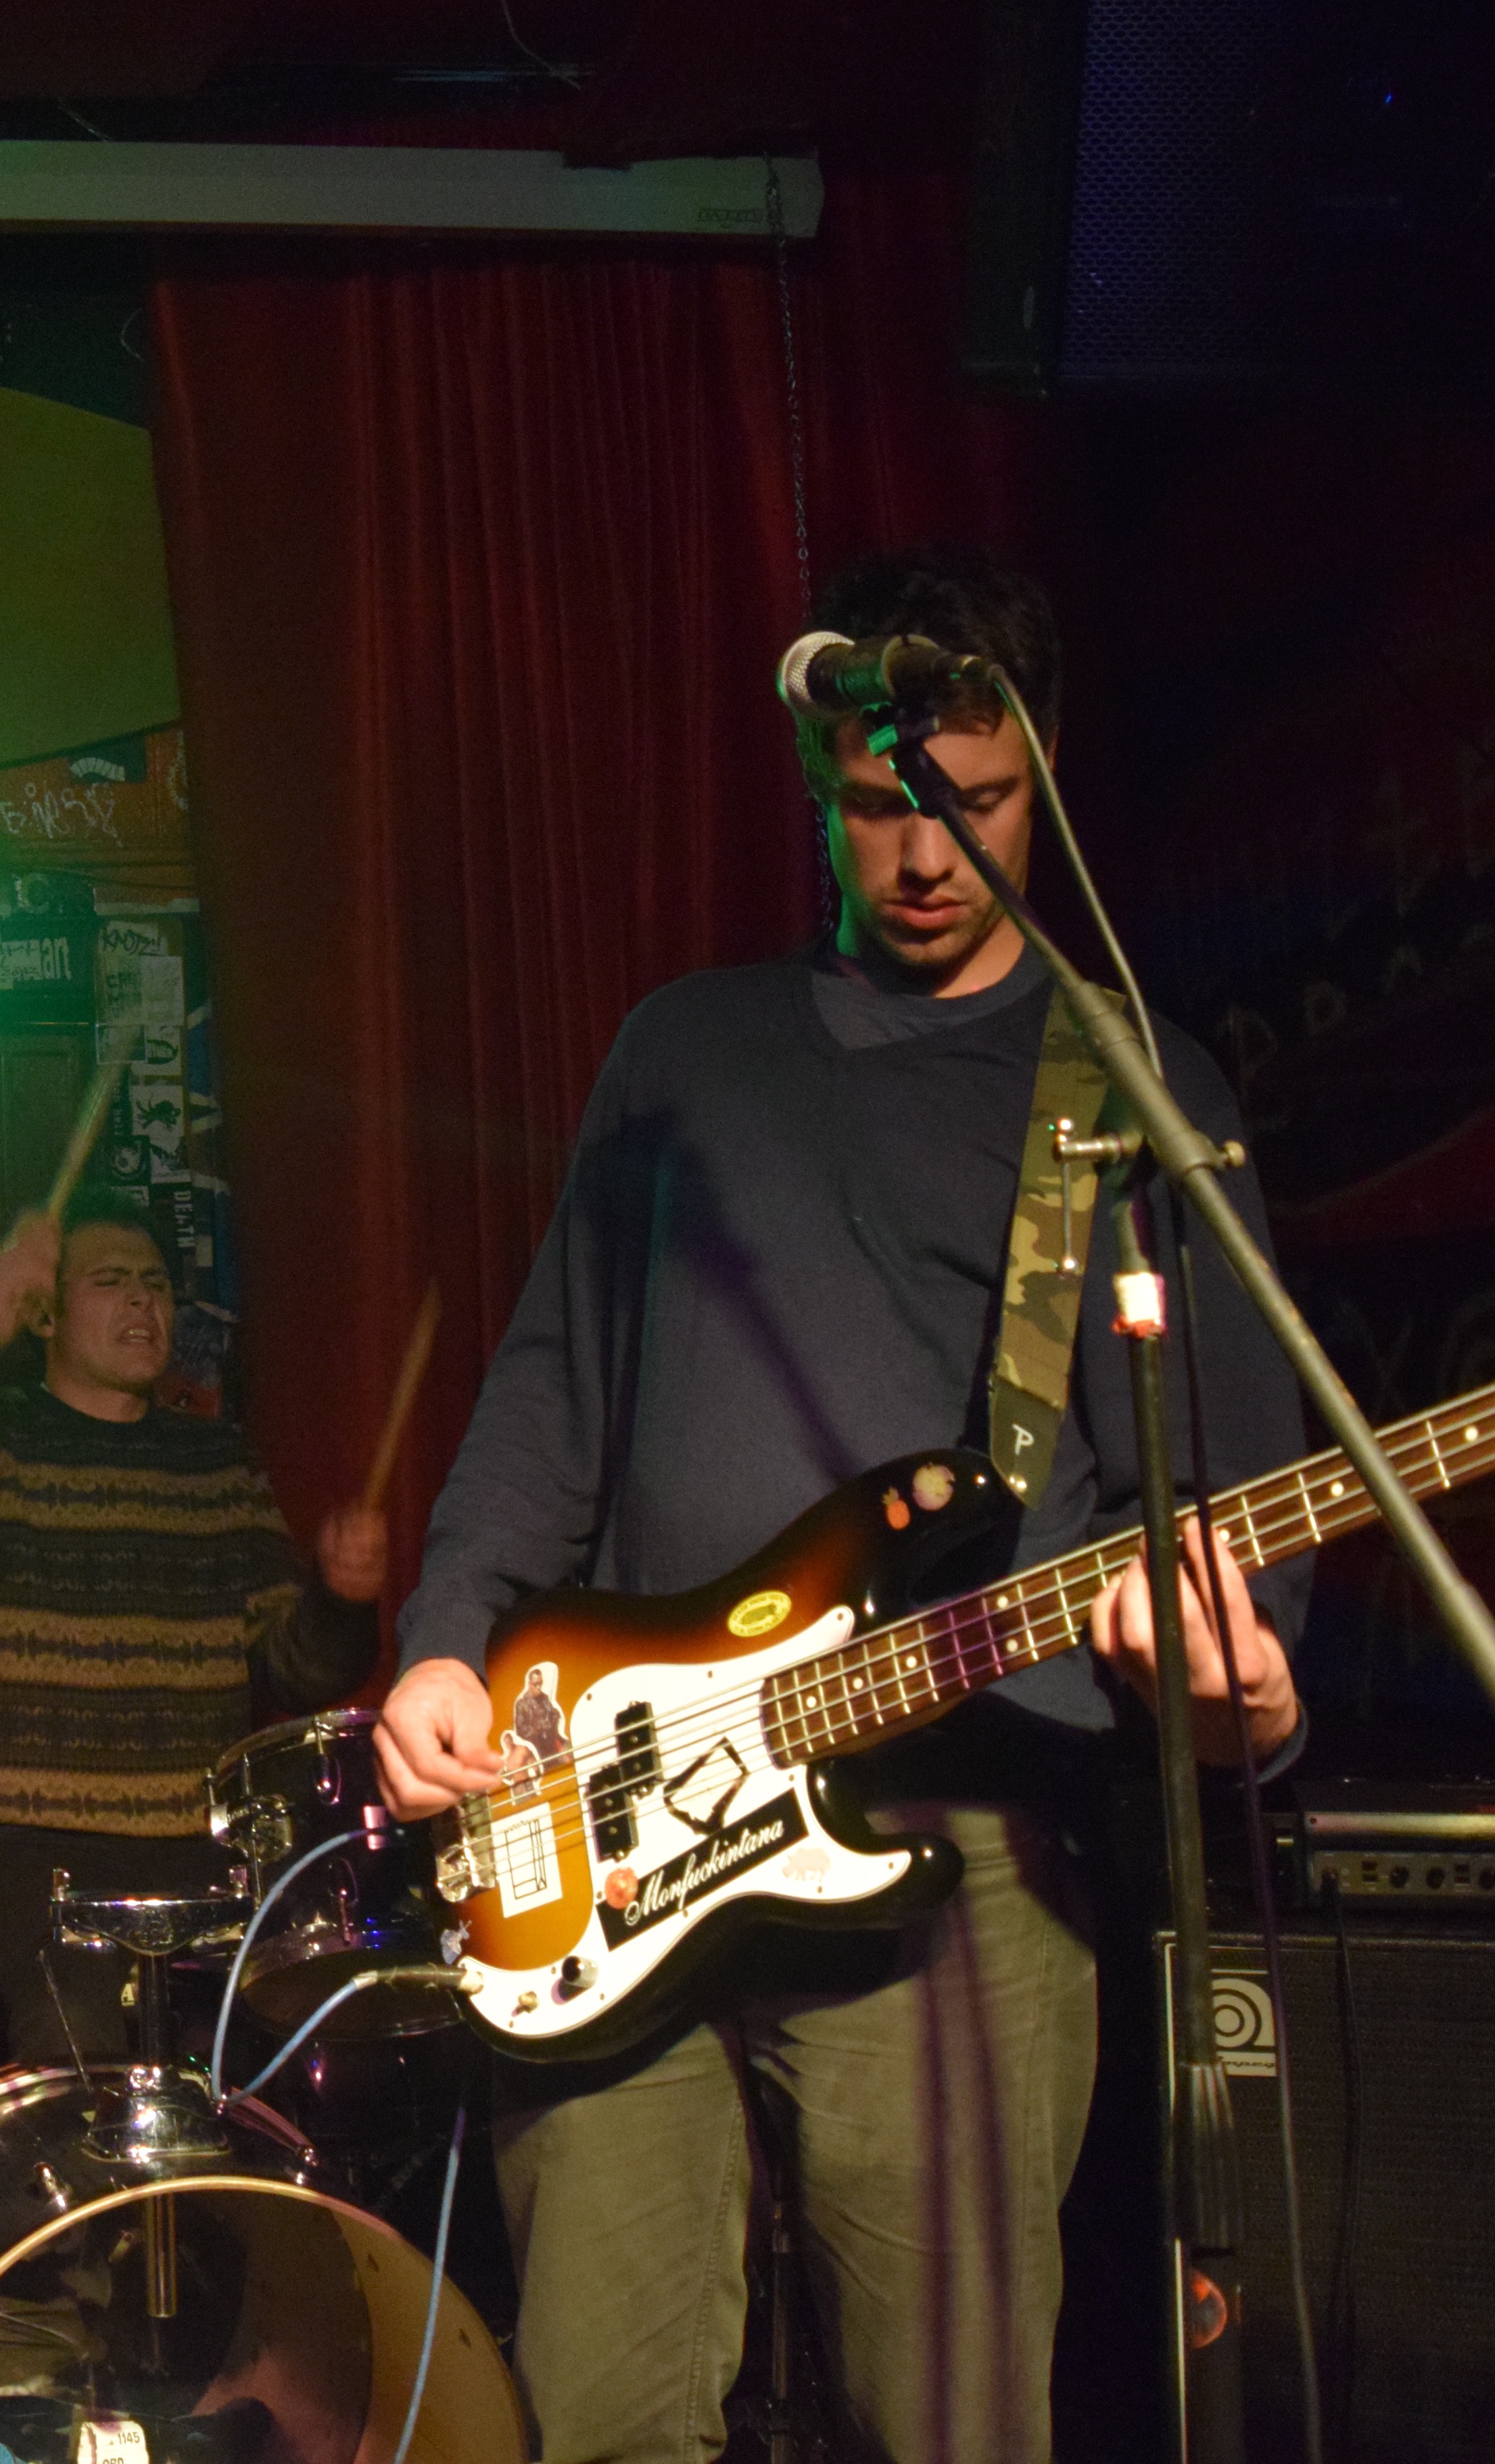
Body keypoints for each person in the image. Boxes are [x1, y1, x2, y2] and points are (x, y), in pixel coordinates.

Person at [372, 545, 1308, 2464]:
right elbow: (552, 1383)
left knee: (943, 2423)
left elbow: (1221, 1488)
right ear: (822, 783)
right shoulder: (685, 1047)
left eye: (977, 803)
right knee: (599, 2415)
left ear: (1044, 777)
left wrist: (1246, 1682)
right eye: (882, 806)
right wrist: (448, 1639)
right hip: (621, 1831)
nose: (927, 854)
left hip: (964, 1855)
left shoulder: (1133, 1085)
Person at [0, 1185, 389, 2069]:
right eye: (111, 1282)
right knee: (74, 2031)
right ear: (46, 1316)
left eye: (156, 1285)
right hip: (17, 1842)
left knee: (303, 2014)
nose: (144, 1301)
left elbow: (297, 1671)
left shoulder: (216, 1459)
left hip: (195, 1843)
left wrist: (342, 1597)